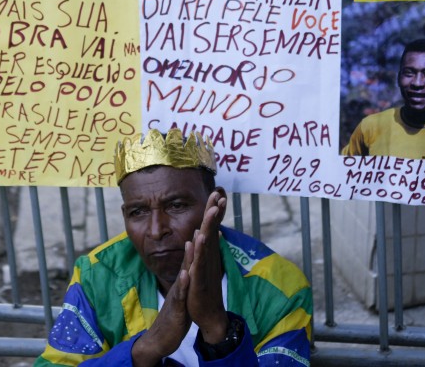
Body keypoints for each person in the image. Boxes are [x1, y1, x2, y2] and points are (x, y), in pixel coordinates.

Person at [37, 128, 312, 366]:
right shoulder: (99, 274)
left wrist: (218, 330)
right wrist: (147, 349)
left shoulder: (278, 289)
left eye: (176, 206)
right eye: (138, 212)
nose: (157, 230)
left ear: (215, 207)